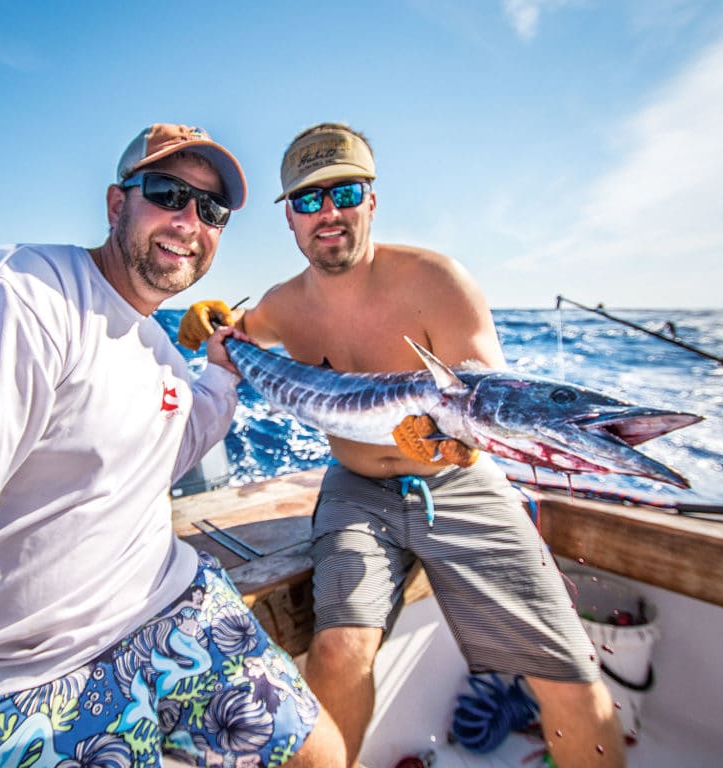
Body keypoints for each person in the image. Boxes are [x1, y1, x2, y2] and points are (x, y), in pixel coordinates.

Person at [0, 124, 345, 767]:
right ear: (118, 204)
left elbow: (170, 448)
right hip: (26, 674)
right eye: (168, 193)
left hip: (170, 607)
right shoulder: (17, 297)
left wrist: (222, 371)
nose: (188, 221)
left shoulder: (161, 354)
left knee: (322, 753)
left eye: (211, 209)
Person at [179, 123, 626, 768]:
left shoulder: (437, 279)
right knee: (336, 652)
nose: (327, 213)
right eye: (308, 201)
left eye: (344, 193)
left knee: (567, 673)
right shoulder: (282, 306)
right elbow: (230, 336)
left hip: (459, 486)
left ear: (371, 200)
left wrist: (453, 444)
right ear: (290, 221)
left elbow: (479, 391)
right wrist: (210, 321)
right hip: (354, 487)